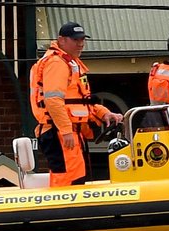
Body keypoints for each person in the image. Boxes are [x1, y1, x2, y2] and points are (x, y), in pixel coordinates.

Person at [30, 21, 122, 187]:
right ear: (62, 40)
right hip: (60, 132)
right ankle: (61, 212)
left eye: (82, 40)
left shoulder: (68, 63)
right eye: (75, 40)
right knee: (67, 182)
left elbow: (81, 100)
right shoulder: (57, 63)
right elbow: (53, 101)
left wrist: (104, 113)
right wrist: (65, 130)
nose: (80, 44)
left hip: (67, 131)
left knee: (75, 180)